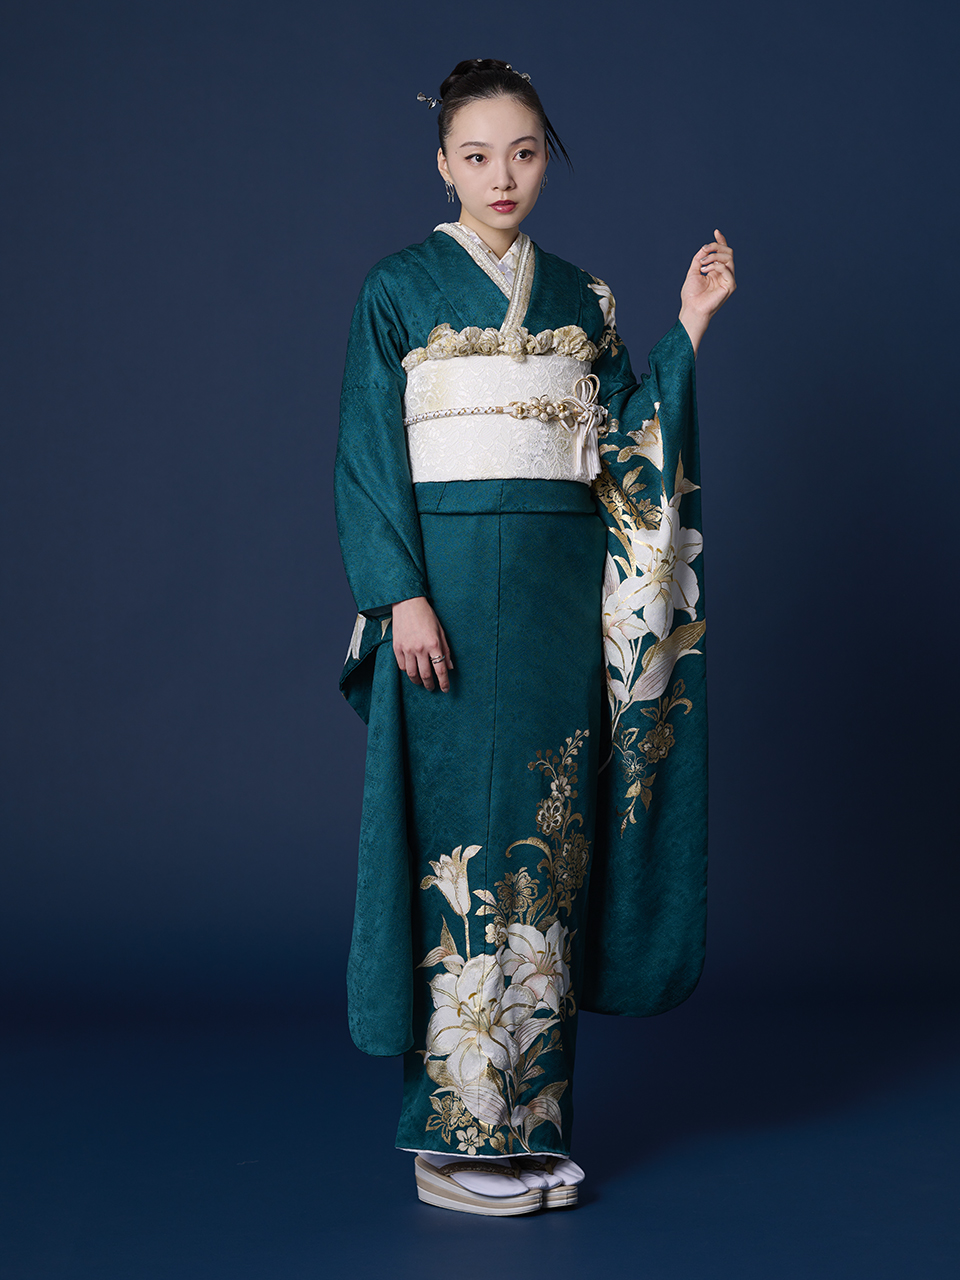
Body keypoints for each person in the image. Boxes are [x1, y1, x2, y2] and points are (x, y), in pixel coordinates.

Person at [335, 57, 736, 1216]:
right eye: (476, 155)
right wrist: (399, 594)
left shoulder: (582, 296)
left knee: (545, 843)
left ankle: (528, 1124)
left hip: (561, 602)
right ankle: (449, 1136)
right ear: (443, 163)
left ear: (544, 157)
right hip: (447, 603)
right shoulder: (396, 289)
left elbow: (627, 452)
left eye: (522, 152)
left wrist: (687, 326)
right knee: (455, 843)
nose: (500, 175)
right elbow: (366, 452)